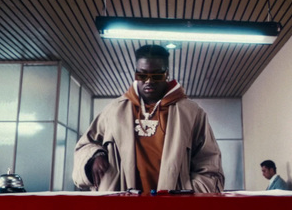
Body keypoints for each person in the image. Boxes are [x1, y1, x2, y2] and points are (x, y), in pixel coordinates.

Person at [72, 44, 224, 194]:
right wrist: (95, 156)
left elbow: (209, 162)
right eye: (142, 75)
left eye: (156, 75)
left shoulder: (191, 113)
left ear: (167, 74)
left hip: (173, 205)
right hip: (121, 204)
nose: (149, 81)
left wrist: (188, 192)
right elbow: (84, 146)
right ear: (135, 74)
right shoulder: (114, 111)